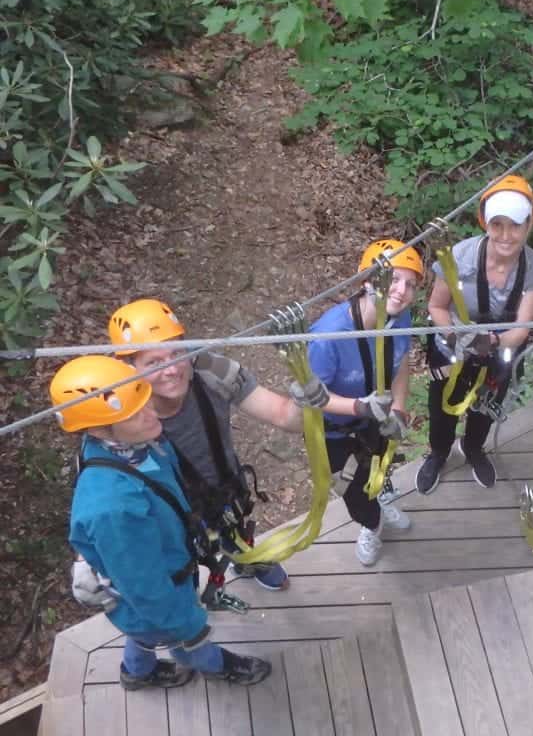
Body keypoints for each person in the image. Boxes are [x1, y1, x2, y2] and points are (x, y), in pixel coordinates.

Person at [57, 356, 272, 689]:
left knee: (145, 634)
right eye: (136, 410)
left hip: (162, 579)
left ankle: (136, 672)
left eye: (145, 400)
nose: (152, 412)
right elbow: (146, 589)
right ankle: (219, 667)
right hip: (159, 595)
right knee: (185, 644)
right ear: (98, 427)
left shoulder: (130, 444)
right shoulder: (114, 508)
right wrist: (189, 626)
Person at [107, 299, 328, 593]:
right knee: (179, 571)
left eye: (176, 354)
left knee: (233, 527)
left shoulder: (214, 372)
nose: (171, 370)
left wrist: (306, 402)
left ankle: (247, 558)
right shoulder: (118, 416)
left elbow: (284, 416)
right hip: (168, 510)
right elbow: (101, 476)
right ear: (129, 369)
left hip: (221, 485)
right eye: (154, 363)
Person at [416, 175, 533, 493]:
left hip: (499, 348)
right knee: (442, 406)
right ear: (485, 223)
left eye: (515, 225)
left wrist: (493, 342)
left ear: (529, 224)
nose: (506, 235)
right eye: (497, 225)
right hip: (451, 347)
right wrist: (455, 337)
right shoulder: (457, 260)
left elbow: (523, 327)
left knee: (487, 404)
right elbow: (436, 306)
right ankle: (438, 452)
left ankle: (474, 447)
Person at [307, 239, 423, 566]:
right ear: (366, 280)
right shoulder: (328, 337)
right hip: (333, 428)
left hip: (375, 413)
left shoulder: (399, 318)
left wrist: (398, 407)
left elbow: (399, 362)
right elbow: (311, 398)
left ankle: (382, 497)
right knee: (354, 493)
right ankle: (371, 524)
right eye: (392, 279)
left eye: (409, 284)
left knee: (379, 467)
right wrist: (359, 407)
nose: (401, 290)